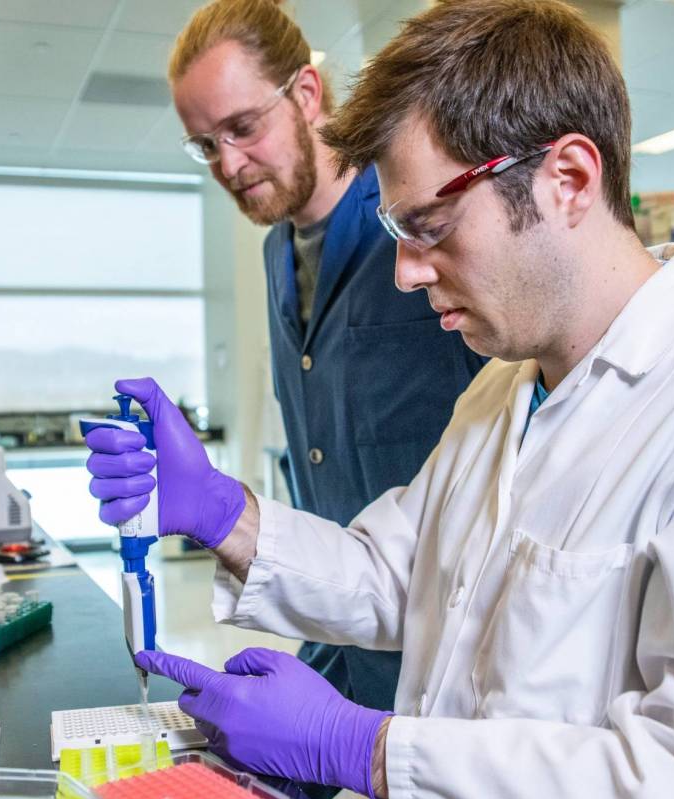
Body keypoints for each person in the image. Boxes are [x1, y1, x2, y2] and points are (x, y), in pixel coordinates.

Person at [87, 1, 674, 799]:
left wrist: (364, 750)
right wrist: (224, 515)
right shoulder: (505, 387)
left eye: (429, 225)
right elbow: (398, 574)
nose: (405, 272)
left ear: (568, 180)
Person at [166, 0, 485, 724]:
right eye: (205, 145)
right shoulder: (277, 253)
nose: (230, 164)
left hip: (453, 661)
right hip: (349, 633)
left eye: (242, 128)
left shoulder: (413, 226)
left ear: (306, 94)